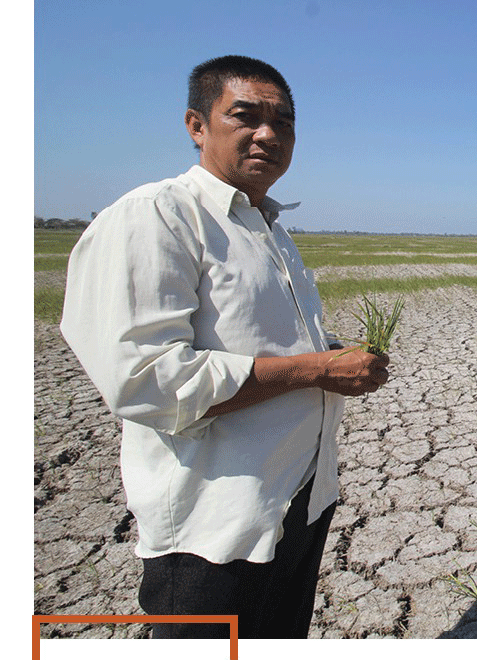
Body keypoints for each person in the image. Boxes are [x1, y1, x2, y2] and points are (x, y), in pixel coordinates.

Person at [59, 55, 391, 639]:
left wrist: (335, 356)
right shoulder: (155, 216)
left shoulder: (269, 228)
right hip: (211, 529)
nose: (268, 134)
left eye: (283, 122)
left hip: (297, 503)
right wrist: (314, 369)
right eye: (245, 116)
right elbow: (145, 380)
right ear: (196, 125)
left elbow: (269, 342)